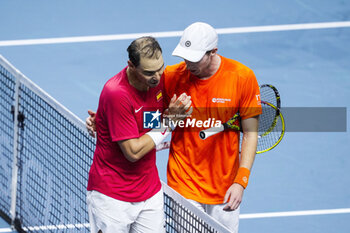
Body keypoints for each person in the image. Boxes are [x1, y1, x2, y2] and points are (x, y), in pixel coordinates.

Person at [87, 22, 261, 233]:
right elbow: (145, 119)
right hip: (182, 183)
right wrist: (107, 121)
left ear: (213, 52)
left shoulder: (241, 77)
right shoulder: (169, 77)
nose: (188, 64)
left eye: (194, 58)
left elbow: (251, 133)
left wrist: (241, 181)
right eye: (185, 57)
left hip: (223, 186)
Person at [86, 36, 191, 233]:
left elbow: (146, 123)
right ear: (131, 65)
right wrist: (169, 122)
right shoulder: (116, 93)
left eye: (160, 68)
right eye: (149, 72)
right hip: (112, 198)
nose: (157, 77)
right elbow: (133, 152)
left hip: (149, 192)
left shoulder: (159, 81)